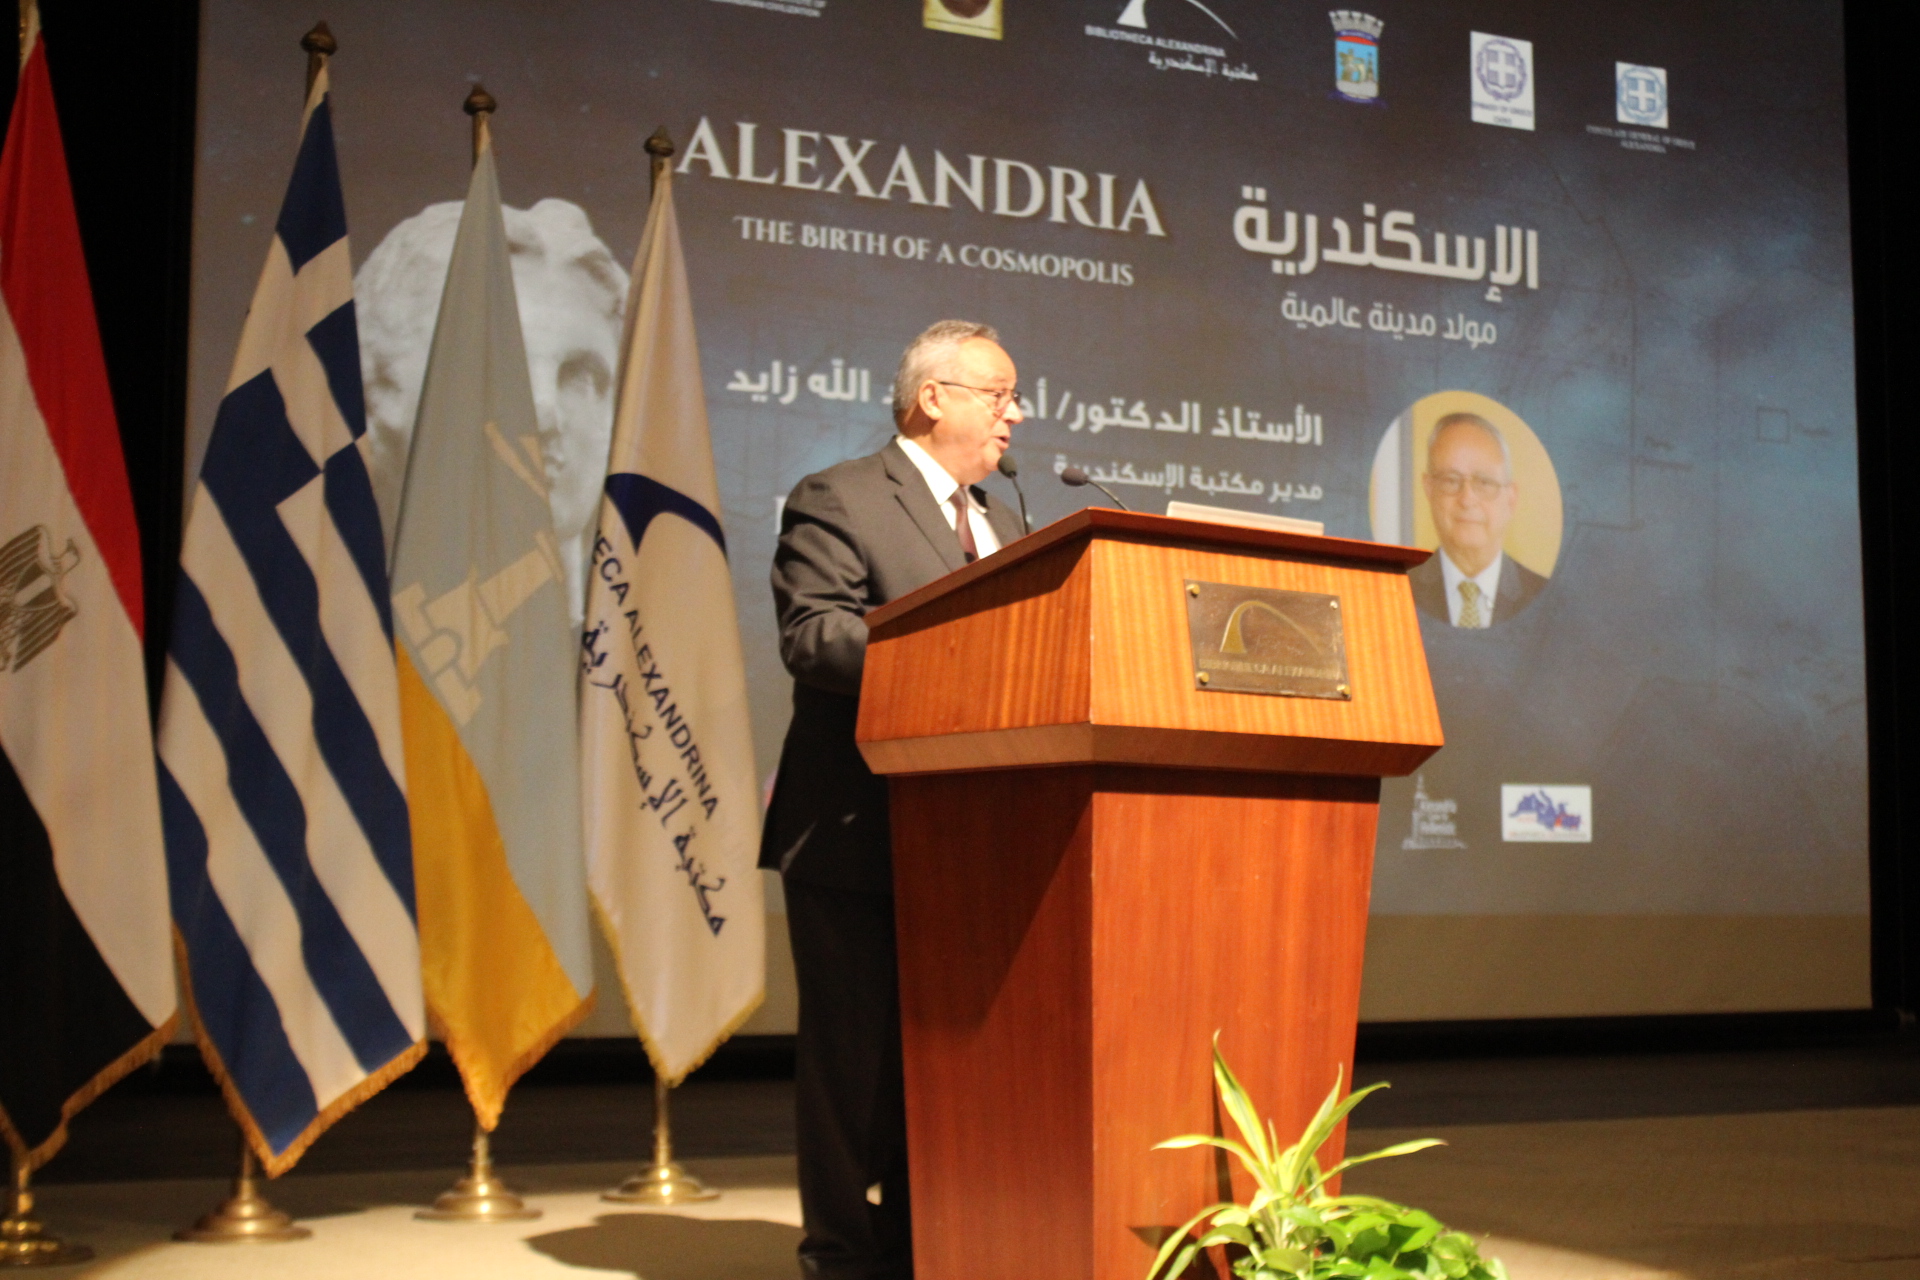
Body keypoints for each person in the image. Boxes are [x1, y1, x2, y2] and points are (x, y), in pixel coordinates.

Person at [761, 320, 1027, 1280]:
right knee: (854, 1061)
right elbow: (814, 636)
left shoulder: (1006, 522)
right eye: (998, 395)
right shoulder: (839, 495)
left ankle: (927, 1242)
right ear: (932, 398)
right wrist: (953, 659)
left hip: (974, 837)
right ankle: (841, 1252)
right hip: (856, 830)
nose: (1015, 414)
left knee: (945, 1058)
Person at [1408, 411, 1547, 627]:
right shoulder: (1397, 591)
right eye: (1451, 480)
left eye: (1484, 482)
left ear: (1511, 498)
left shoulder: (1548, 600)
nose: (1467, 499)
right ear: (1429, 489)